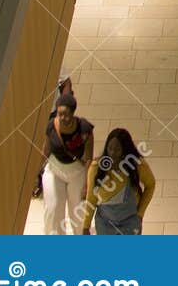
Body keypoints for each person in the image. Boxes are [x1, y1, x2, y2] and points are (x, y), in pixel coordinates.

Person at [81, 129, 155, 235]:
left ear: (125, 150)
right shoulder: (96, 167)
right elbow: (91, 198)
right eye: (110, 148)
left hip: (130, 223)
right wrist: (85, 226)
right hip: (104, 224)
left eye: (117, 149)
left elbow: (150, 185)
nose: (112, 153)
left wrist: (140, 214)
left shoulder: (137, 165)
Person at [40, 94, 94, 234]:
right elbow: (46, 151)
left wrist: (87, 184)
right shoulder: (51, 125)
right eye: (60, 114)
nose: (63, 118)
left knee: (77, 212)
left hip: (77, 172)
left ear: (73, 113)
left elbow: (89, 158)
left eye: (66, 114)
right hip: (55, 169)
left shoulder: (84, 129)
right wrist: (36, 174)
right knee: (52, 209)